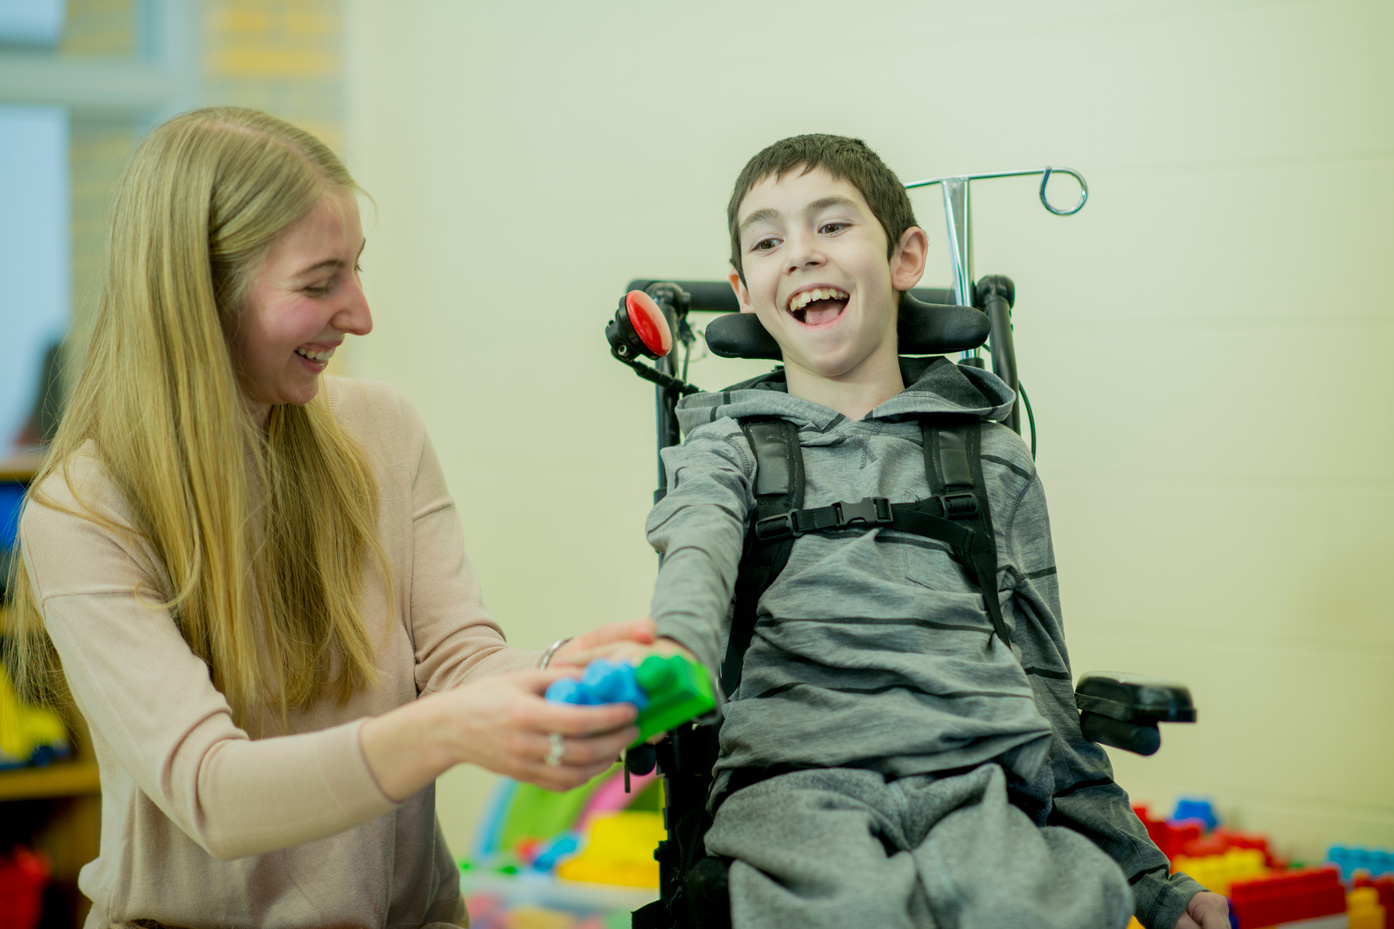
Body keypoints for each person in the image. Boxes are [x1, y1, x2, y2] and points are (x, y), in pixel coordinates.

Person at [2, 107, 652, 928]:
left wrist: (561, 674)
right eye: (320, 283)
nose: (361, 314)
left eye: (358, 269)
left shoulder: (383, 428)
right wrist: (445, 732)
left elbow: (457, 657)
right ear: (201, 295)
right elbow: (213, 792)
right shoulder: (83, 510)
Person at [618, 135, 1230, 929]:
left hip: (981, 776)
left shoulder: (992, 460)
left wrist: (1154, 883)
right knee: (853, 913)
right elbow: (693, 561)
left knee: (1051, 903)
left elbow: (1043, 685)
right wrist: (674, 657)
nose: (800, 254)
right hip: (795, 781)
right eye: (769, 240)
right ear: (745, 289)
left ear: (906, 255)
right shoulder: (724, 448)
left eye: (831, 226)